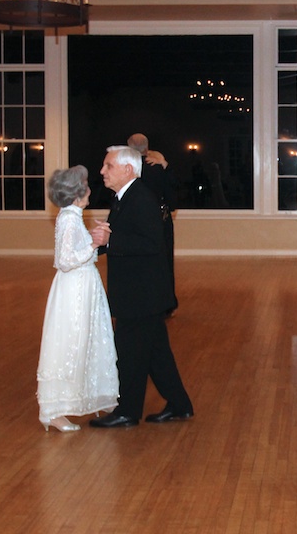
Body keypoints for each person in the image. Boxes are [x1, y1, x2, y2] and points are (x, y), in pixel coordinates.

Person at [89, 146, 194, 428]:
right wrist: (98, 244)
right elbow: (123, 237)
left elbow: (151, 245)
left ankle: (127, 412)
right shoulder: (127, 197)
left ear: (128, 169)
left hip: (141, 295)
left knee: (130, 354)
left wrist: (108, 243)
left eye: (108, 166)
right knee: (156, 354)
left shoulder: (141, 199)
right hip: (142, 294)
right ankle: (180, 405)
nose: (102, 172)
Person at [36, 166, 119, 433]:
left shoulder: (71, 215)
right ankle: (54, 410)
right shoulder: (70, 218)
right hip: (75, 289)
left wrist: (92, 241)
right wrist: (94, 244)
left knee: (88, 339)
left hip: (83, 285)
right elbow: (65, 260)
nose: (91, 190)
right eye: (86, 186)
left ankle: (96, 395)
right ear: (77, 194)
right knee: (72, 341)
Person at [127, 133, 179, 312]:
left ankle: (138, 302)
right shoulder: (158, 168)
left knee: (137, 264)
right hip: (160, 220)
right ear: (147, 148)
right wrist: (164, 164)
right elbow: (172, 197)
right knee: (163, 262)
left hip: (133, 224)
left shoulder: (127, 171)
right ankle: (166, 304)